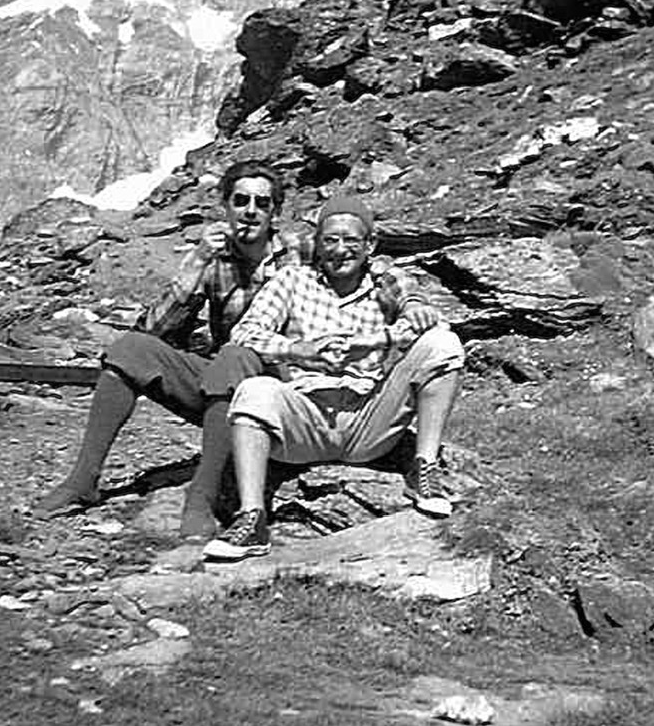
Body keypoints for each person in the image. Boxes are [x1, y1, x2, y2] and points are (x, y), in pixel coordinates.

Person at [32, 159, 304, 541]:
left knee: (234, 355)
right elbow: (155, 330)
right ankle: (84, 479)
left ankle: (202, 497)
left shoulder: (299, 254)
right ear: (225, 206)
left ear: (275, 211)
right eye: (241, 200)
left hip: (288, 395)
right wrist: (196, 264)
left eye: (262, 202)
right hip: (228, 389)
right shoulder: (214, 255)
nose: (251, 211)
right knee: (131, 350)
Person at [202, 193, 465, 562]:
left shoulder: (386, 283)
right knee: (253, 390)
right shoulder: (292, 281)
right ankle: (252, 519)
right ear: (317, 244)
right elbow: (245, 333)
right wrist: (300, 349)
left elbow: (430, 320)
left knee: (443, 344)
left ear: (369, 245)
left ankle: (424, 469)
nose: (340, 250)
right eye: (331, 240)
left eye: (351, 241)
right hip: (305, 417)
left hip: (367, 419)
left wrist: (377, 337)